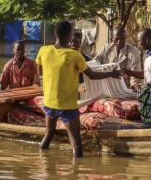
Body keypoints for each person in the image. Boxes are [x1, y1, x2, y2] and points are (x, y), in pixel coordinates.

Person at [36, 20, 120, 157]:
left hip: (49, 103)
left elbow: (40, 71)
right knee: (76, 143)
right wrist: (112, 73)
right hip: (67, 106)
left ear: (56, 34)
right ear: (68, 36)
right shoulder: (74, 55)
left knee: (49, 134)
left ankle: (43, 164)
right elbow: (91, 76)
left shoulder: (44, 51)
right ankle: (77, 172)